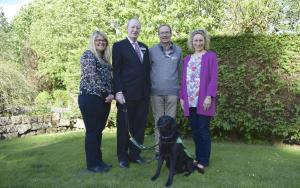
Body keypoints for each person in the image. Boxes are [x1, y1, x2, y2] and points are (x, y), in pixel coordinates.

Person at [112, 18, 150, 168]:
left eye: (138, 28)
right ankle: (122, 157)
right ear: (127, 28)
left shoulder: (144, 47)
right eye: (133, 27)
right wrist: (118, 91)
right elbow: (116, 70)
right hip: (126, 95)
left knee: (139, 127)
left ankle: (135, 155)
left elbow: (146, 71)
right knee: (124, 127)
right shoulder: (119, 46)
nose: (135, 30)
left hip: (143, 95)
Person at [179, 29, 218, 172]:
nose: (198, 43)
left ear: (205, 41)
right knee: (195, 131)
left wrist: (209, 96)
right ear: (192, 42)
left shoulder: (210, 56)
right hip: (190, 101)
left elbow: (214, 78)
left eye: (201, 40)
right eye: (195, 40)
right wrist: (181, 98)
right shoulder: (187, 59)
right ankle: (198, 157)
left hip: (203, 101)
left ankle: (204, 160)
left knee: (203, 130)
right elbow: (183, 80)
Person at [78, 31, 114, 173]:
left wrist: (111, 94)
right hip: (90, 98)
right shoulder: (88, 55)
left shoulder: (105, 60)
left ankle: (99, 161)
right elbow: (92, 77)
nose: (101, 42)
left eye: (104, 40)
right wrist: (107, 93)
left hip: (104, 99)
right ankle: (92, 164)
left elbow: (110, 80)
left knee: (98, 131)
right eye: (98, 40)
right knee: (93, 132)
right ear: (93, 42)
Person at [149, 24, 182, 159]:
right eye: (162, 33)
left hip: (172, 93)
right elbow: (147, 71)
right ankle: (158, 151)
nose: (164, 35)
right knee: (158, 122)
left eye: (167, 32)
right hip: (156, 92)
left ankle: (169, 150)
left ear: (171, 34)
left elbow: (180, 73)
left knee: (170, 124)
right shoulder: (152, 51)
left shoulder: (178, 51)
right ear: (158, 35)